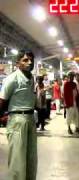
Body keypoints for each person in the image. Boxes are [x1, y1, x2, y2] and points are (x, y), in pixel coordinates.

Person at [0, 50, 37, 180]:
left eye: (31, 60)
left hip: (30, 119)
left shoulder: (31, 78)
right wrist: (3, 116)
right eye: (25, 60)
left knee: (30, 157)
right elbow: (2, 100)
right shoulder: (12, 79)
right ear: (18, 63)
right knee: (18, 159)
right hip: (17, 120)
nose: (30, 63)